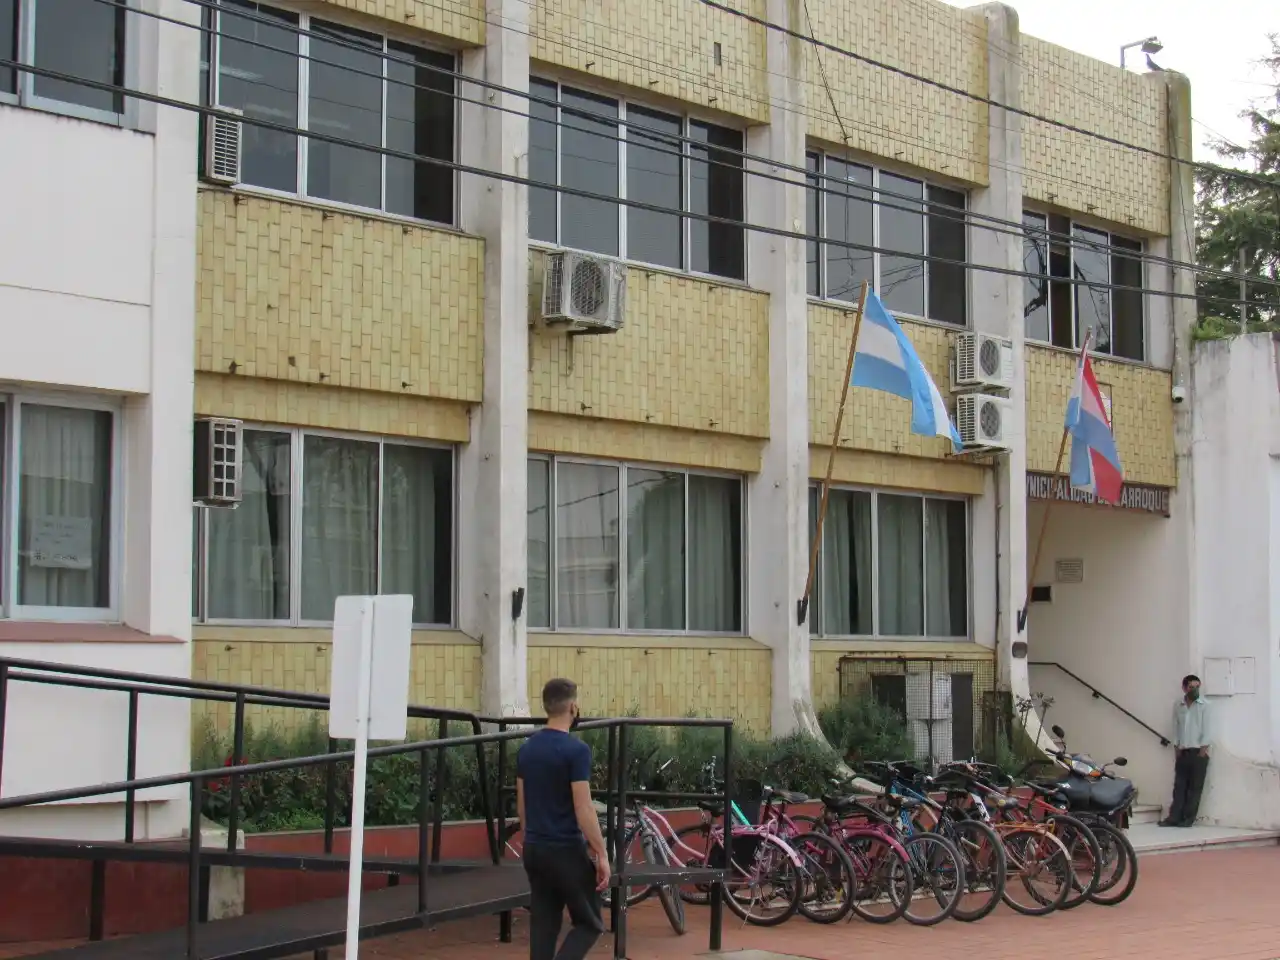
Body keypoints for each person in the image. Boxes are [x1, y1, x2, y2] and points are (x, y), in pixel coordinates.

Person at [516, 678, 610, 960]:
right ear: (573, 707)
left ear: (546, 706)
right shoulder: (576, 751)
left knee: (544, 926)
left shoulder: (527, 749)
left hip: (535, 847)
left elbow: (522, 807)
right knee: (590, 922)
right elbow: (584, 808)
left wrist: (529, 840)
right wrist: (601, 853)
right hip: (565, 849)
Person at [1160, 673, 1212, 827]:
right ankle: (1174, 817)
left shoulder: (1205, 705)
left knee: (1194, 788)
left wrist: (1202, 751)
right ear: (1184, 688)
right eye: (1191, 687)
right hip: (1183, 751)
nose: (1194, 690)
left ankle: (1188, 819)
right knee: (1179, 786)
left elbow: (1207, 729)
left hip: (1198, 752)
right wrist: (1177, 748)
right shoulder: (1178, 705)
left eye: (1197, 687)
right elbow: (1175, 726)